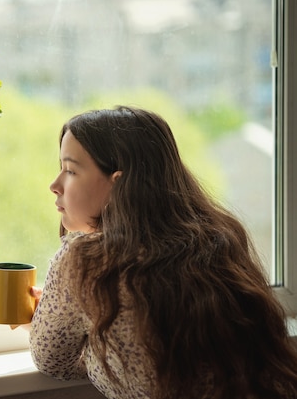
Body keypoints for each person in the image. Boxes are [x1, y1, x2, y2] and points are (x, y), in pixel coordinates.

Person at [28, 106, 297, 399]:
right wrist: (69, 307)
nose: (55, 185)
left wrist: (69, 318)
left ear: (118, 184)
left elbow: (54, 360)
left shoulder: (86, 261)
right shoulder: (220, 239)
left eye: (70, 170)